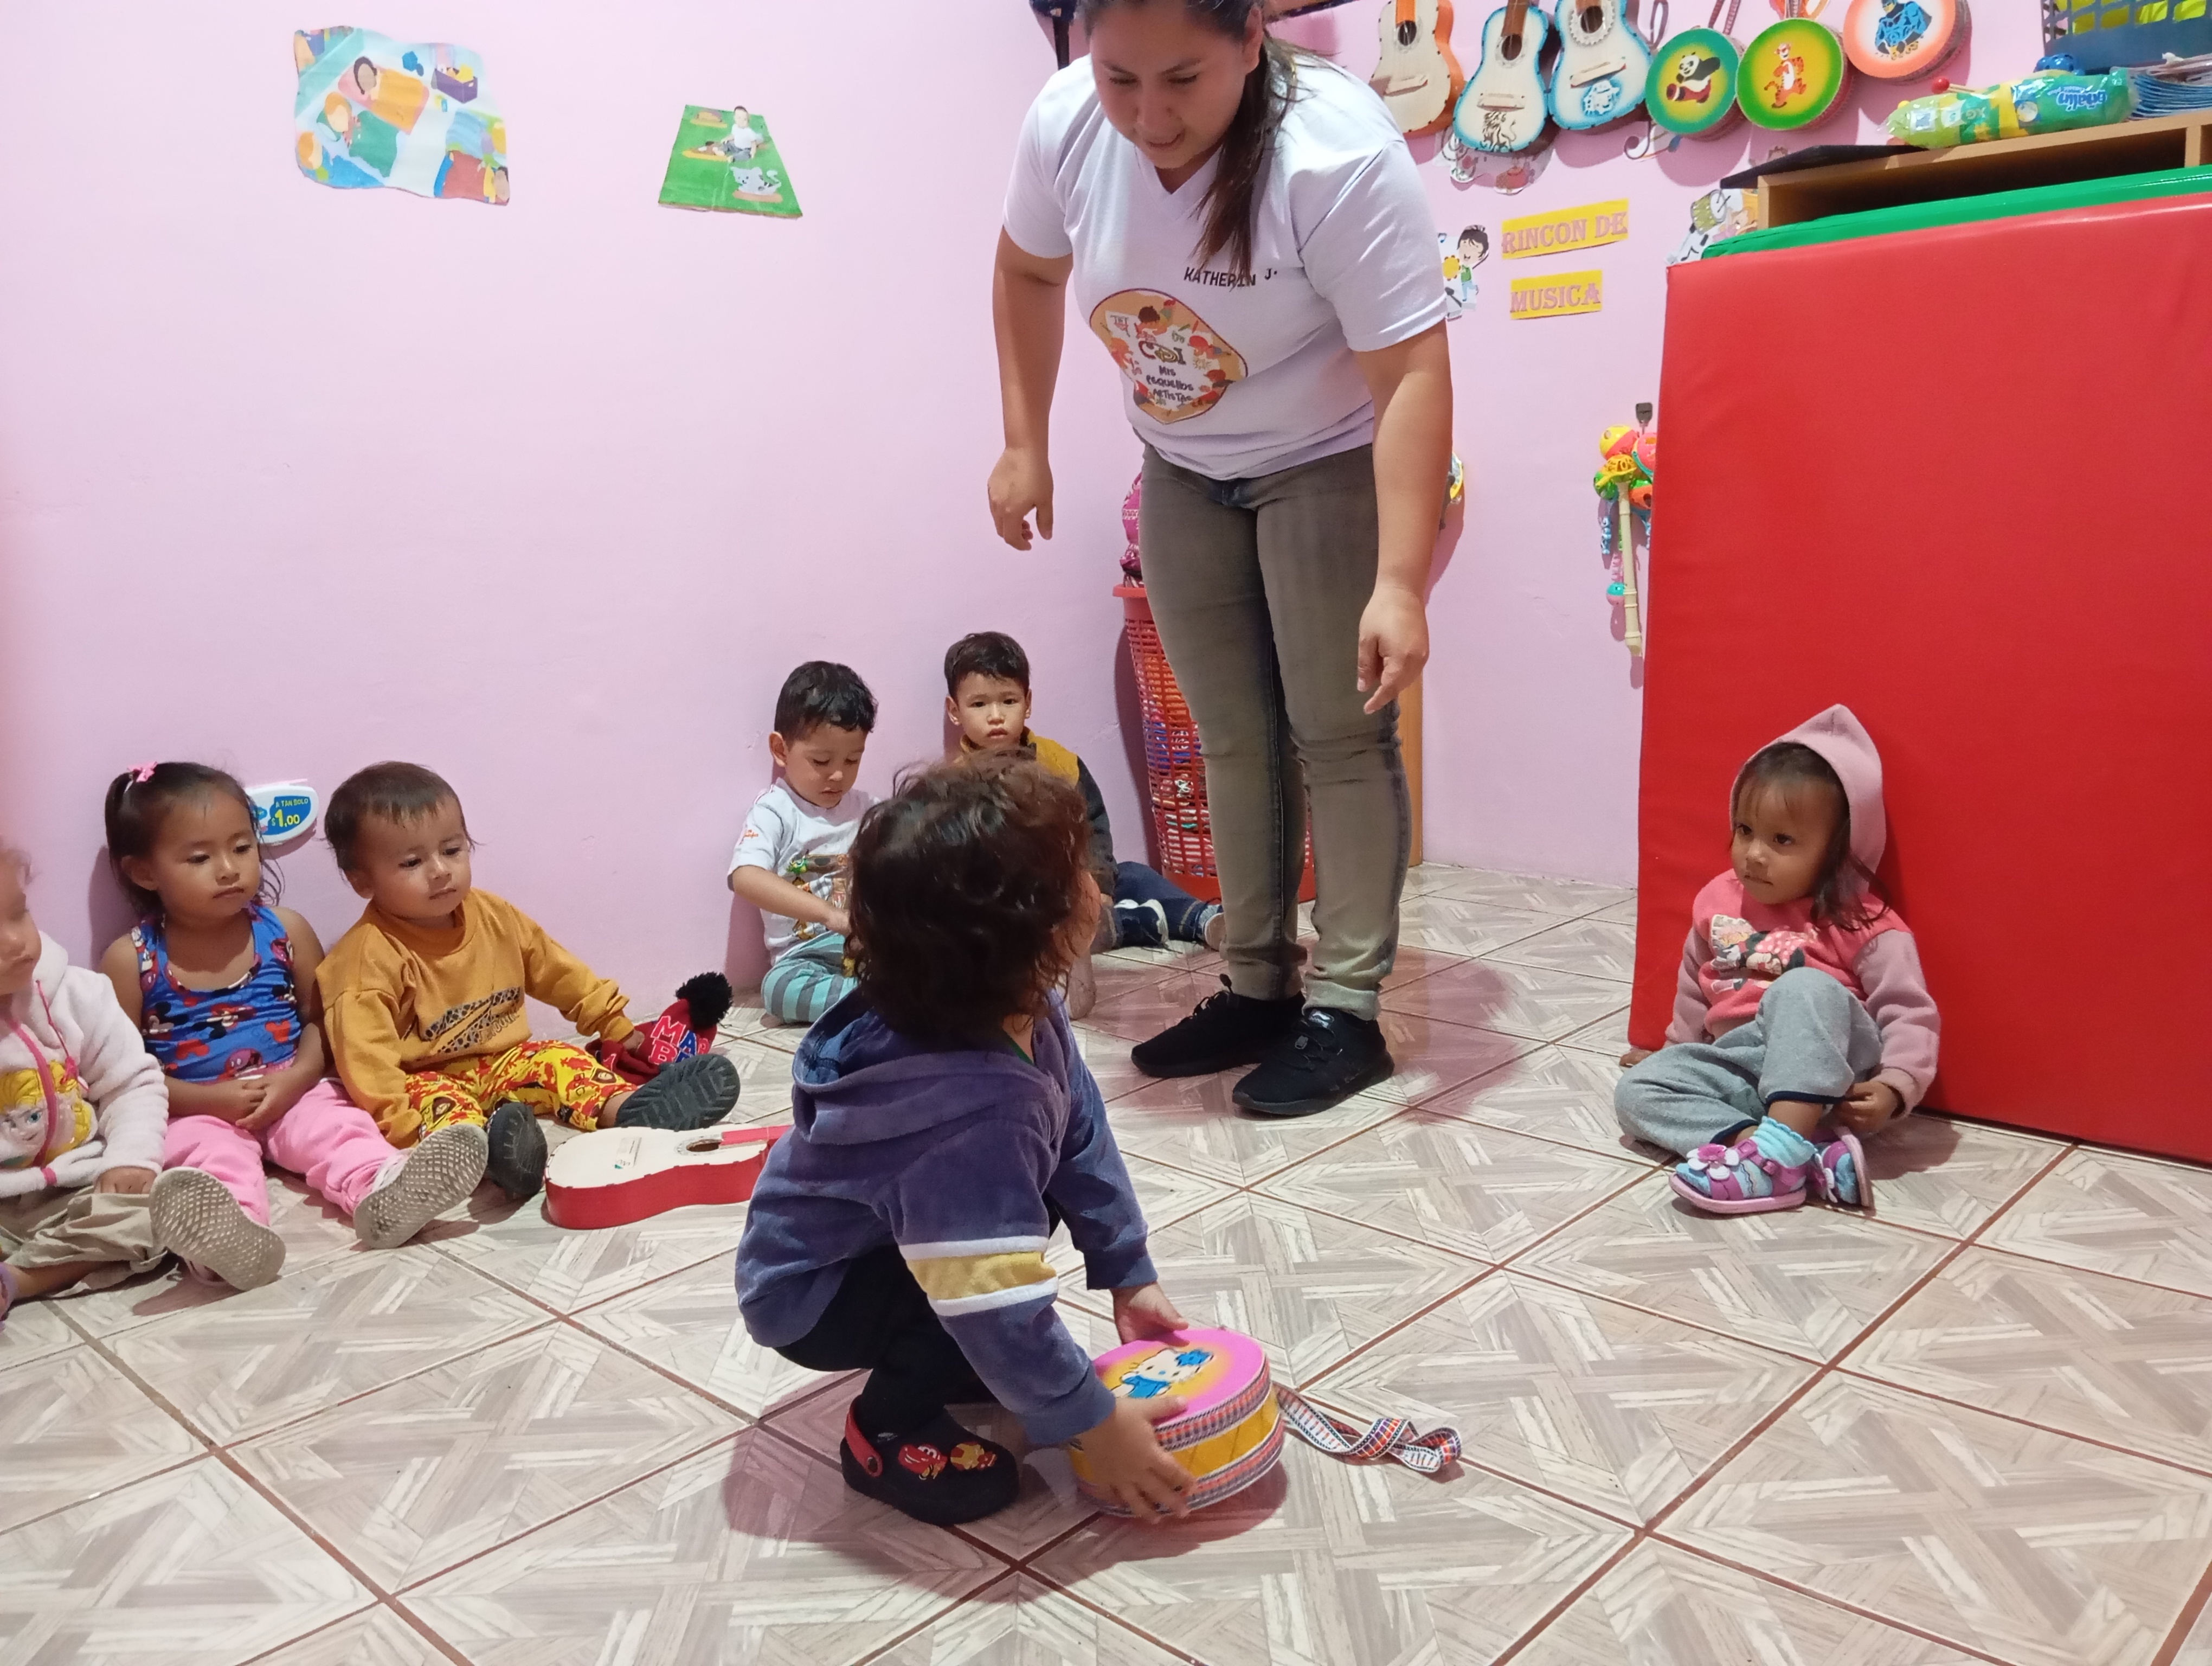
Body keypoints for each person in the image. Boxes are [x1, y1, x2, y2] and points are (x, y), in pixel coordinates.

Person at [988, 0, 1454, 1118]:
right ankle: (1257, 984)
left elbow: (1411, 375)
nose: (1150, 116)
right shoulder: (1065, 122)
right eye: (1120, 78)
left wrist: (1399, 582)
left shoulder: (1333, 153)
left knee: (1338, 731)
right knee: (1229, 737)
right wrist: (1024, 442)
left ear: (1251, 40)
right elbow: (1029, 272)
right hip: (1183, 461)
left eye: (1184, 80)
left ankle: (1346, 1008)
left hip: (1327, 456)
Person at [736, 755, 1194, 1526]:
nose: (1097, 884)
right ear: (1028, 934)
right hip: (814, 1294)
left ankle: (962, 1359)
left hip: (885, 1245)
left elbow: (1080, 1131)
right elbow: (992, 1298)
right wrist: (1091, 1421)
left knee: (1028, 1206)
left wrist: (1127, 1271)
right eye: (1077, 876)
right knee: (978, 1291)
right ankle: (885, 1427)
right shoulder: (971, 1114)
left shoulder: (1027, 1003)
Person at [96, 764, 487, 1291]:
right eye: (200, 858)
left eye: (242, 847)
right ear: (145, 872)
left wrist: (298, 1078)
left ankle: (384, 1186)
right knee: (207, 1161)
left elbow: (322, 1022)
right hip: (194, 1109)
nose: (229, 869)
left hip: (294, 1088)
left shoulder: (286, 930)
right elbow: (125, 1074)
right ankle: (226, 1242)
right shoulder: (131, 960)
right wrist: (204, 1101)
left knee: (338, 1127)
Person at [317, 762, 738, 1202]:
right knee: (449, 1115)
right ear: (362, 881)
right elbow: (366, 1058)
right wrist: (402, 1129)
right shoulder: (366, 960)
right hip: (425, 1077)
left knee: (559, 1057)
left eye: (452, 850)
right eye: (412, 862)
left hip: (505, 1060)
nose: (440, 870)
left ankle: (631, 1110)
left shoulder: (494, 916)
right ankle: (496, 1156)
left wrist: (613, 1024)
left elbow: (556, 970)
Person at [1615, 708, 1940, 1215]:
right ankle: (1782, 1154)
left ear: (1838, 851)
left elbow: (1909, 1012)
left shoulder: (1863, 920)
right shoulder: (1717, 900)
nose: (1754, 854)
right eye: (1745, 830)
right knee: (1636, 1093)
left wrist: (1895, 1086)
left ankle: (1781, 1147)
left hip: (1831, 1069)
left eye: (1782, 840)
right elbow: (1695, 984)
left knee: (1801, 987)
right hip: (1743, 1065)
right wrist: (1675, 1052)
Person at [944, 630, 1224, 976]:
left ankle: (1205, 919)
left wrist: (1099, 884)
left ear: (1028, 703)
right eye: (979, 705)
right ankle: (1132, 923)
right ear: (955, 710)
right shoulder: (956, 785)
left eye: (1009, 701)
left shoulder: (1059, 763)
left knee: (1133, 874)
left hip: (1078, 882)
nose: (996, 716)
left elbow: (1093, 825)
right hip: (1024, 902)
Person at [0, 844, 168, 1323]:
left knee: (155, 1216)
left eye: (19, 912)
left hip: (77, 1189)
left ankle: (17, 1281)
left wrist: (132, 1158)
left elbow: (132, 1084)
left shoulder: (77, 995)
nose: (16, 941)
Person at [728, 662, 877, 1028]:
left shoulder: (867, 809)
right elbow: (745, 876)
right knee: (777, 991)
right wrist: (828, 915)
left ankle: (885, 996)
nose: (838, 774)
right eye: (821, 761)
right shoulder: (775, 811)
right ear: (781, 749)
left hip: (870, 945)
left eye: (853, 760)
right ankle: (879, 999)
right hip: (805, 957)